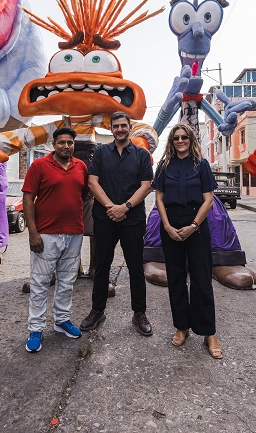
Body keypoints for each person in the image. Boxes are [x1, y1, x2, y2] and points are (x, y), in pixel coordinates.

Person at [80, 111, 154, 336]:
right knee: (102, 266)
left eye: (124, 125)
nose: (120, 129)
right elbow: (93, 183)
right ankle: (97, 310)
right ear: (111, 129)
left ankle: (139, 313)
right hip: (105, 219)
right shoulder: (101, 152)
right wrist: (112, 207)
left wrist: (126, 207)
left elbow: (146, 186)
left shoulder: (141, 155)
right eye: (116, 126)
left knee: (135, 267)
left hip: (132, 220)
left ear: (129, 127)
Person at [154, 124, 222, 359]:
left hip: (197, 224)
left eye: (184, 137)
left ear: (191, 139)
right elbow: (159, 199)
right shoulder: (163, 166)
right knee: (176, 278)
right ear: (171, 141)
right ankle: (181, 326)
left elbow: (208, 200)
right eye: (176, 138)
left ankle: (208, 333)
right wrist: (167, 227)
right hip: (171, 223)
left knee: (202, 279)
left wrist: (193, 226)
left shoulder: (201, 165)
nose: (180, 141)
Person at [22, 127, 88, 352]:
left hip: (74, 233)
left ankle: (62, 321)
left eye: (70, 142)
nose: (66, 146)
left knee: (67, 281)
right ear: (54, 144)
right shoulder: (39, 166)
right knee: (40, 283)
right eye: (62, 142)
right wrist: (33, 233)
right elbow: (28, 199)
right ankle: (36, 328)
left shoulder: (81, 167)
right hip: (46, 234)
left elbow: (83, 195)